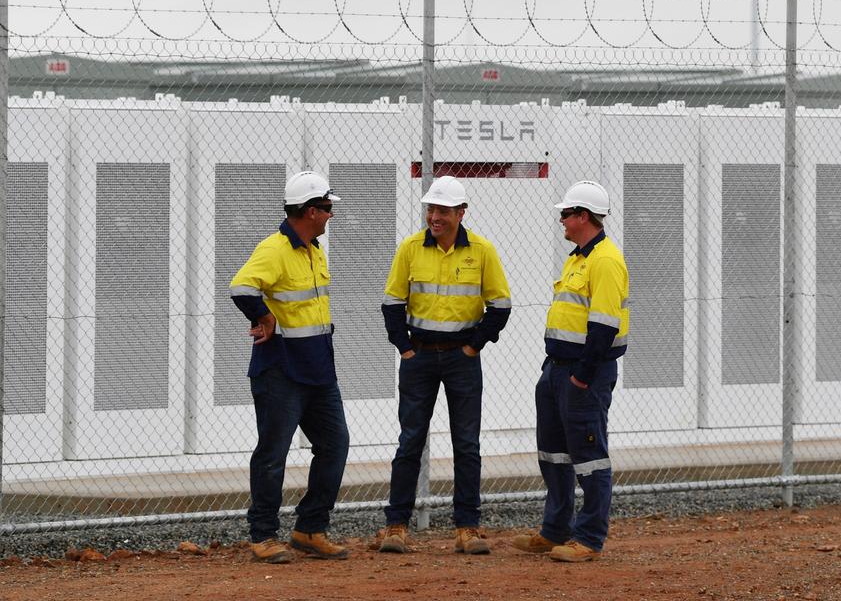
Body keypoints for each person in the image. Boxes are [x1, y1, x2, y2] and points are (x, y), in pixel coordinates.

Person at [376, 175, 512, 555]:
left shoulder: (482, 251)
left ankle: (467, 527)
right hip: (418, 357)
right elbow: (391, 303)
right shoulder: (410, 248)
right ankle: (396, 526)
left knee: (466, 444)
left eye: (442, 210)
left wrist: (473, 347)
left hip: (461, 361)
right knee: (410, 441)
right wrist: (404, 348)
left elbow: (500, 305)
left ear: (461, 213)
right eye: (431, 209)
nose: (434, 217)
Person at [229, 170, 350, 564]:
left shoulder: (314, 249)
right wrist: (264, 317)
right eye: (328, 208)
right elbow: (242, 286)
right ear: (311, 211)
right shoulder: (275, 248)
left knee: (334, 446)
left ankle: (310, 529)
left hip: (318, 371)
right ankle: (263, 535)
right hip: (281, 371)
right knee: (273, 454)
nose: (331, 215)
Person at [512, 180, 630, 563]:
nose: (561, 220)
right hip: (557, 370)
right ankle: (555, 531)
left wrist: (582, 375)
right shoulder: (578, 257)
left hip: (584, 374)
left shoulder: (606, 260)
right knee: (554, 454)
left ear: (583, 217)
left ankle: (590, 538)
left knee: (589, 457)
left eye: (566, 214)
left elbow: (604, 326)